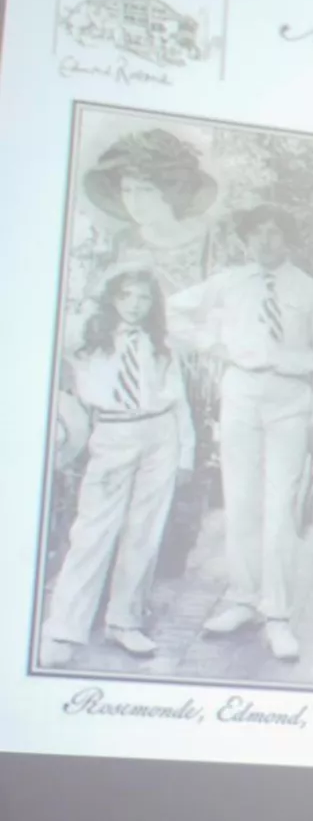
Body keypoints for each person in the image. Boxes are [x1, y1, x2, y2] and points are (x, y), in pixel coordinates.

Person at [166, 204, 313, 660]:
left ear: (288, 239)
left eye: (275, 233)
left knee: (281, 506)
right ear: (247, 240)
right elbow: (174, 310)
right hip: (241, 390)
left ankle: (277, 613)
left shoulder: (311, 291)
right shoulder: (228, 282)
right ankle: (243, 600)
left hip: (290, 398)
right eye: (258, 233)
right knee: (240, 500)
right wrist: (214, 344)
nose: (266, 241)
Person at [40, 264, 194, 667]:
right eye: (126, 295)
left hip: (159, 434)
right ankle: (64, 628)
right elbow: (47, 325)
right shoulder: (88, 336)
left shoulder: (159, 342)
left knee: (144, 532)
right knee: (93, 530)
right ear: (111, 297)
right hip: (112, 433)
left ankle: (124, 621)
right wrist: (93, 299)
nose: (135, 305)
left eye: (144, 297)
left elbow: (177, 398)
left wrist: (187, 453)